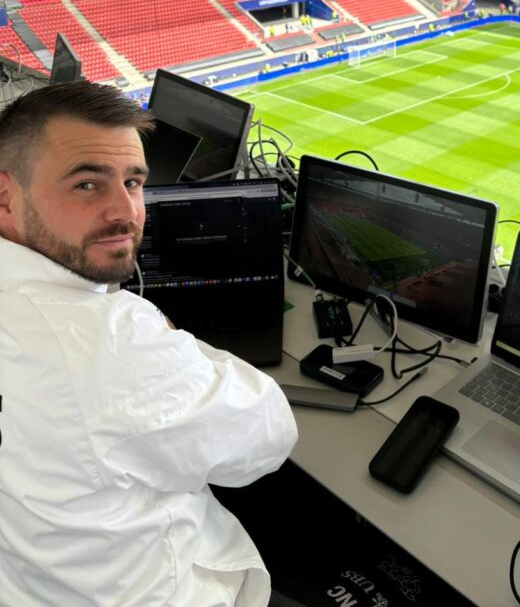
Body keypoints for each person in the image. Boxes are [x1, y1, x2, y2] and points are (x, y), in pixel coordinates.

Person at [0, 82, 297, 607]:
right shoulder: (109, 341)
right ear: (6, 196)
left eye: (134, 182)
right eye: (87, 185)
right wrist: (164, 336)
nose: (126, 211)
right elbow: (268, 436)